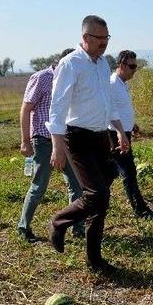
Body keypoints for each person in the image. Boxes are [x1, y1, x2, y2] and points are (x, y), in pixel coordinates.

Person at [47, 15, 130, 275]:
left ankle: (95, 260)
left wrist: (118, 130)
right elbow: (57, 107)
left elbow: (107, 102)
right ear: (85, 38)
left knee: (101, 197)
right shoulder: (70, 64)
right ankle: (59, 222)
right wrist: (57, 146)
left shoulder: (103, 64)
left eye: (107, 38)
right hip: (77, 137)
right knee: (97, 195)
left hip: (99, 137)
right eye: (99, 39)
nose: (104, 43)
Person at [17, 48, 85, 242]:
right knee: (39, 185)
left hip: (66, 140)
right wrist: (25, 140)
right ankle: (23, 227)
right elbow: (26, 108)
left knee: (77, 186)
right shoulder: (42, 78)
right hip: (44, 140)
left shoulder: (73, 79)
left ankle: (77, 229)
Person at [108, 50, 153, 219]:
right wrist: (120, 132)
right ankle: (141, 210)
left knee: (110, 172)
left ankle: (98, 200)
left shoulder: (122, 82)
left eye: (135, 66)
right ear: (121, 65)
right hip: (115, 134)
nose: (134, 70)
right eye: (131, 66)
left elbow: (121, 108)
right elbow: (109, 111)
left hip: (123, 131)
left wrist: (132, 124)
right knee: (129, 171)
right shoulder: (112, 83)